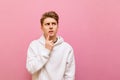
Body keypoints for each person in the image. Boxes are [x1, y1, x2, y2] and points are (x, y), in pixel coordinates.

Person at [26, 11, 75, 80]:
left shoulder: (67, 48)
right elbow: (31, 69)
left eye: (54, 24)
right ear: (42, 27)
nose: (51, 26)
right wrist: (46, 51)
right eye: (47, 24)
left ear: (57, 26)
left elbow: (69, 76)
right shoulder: (34, 45)